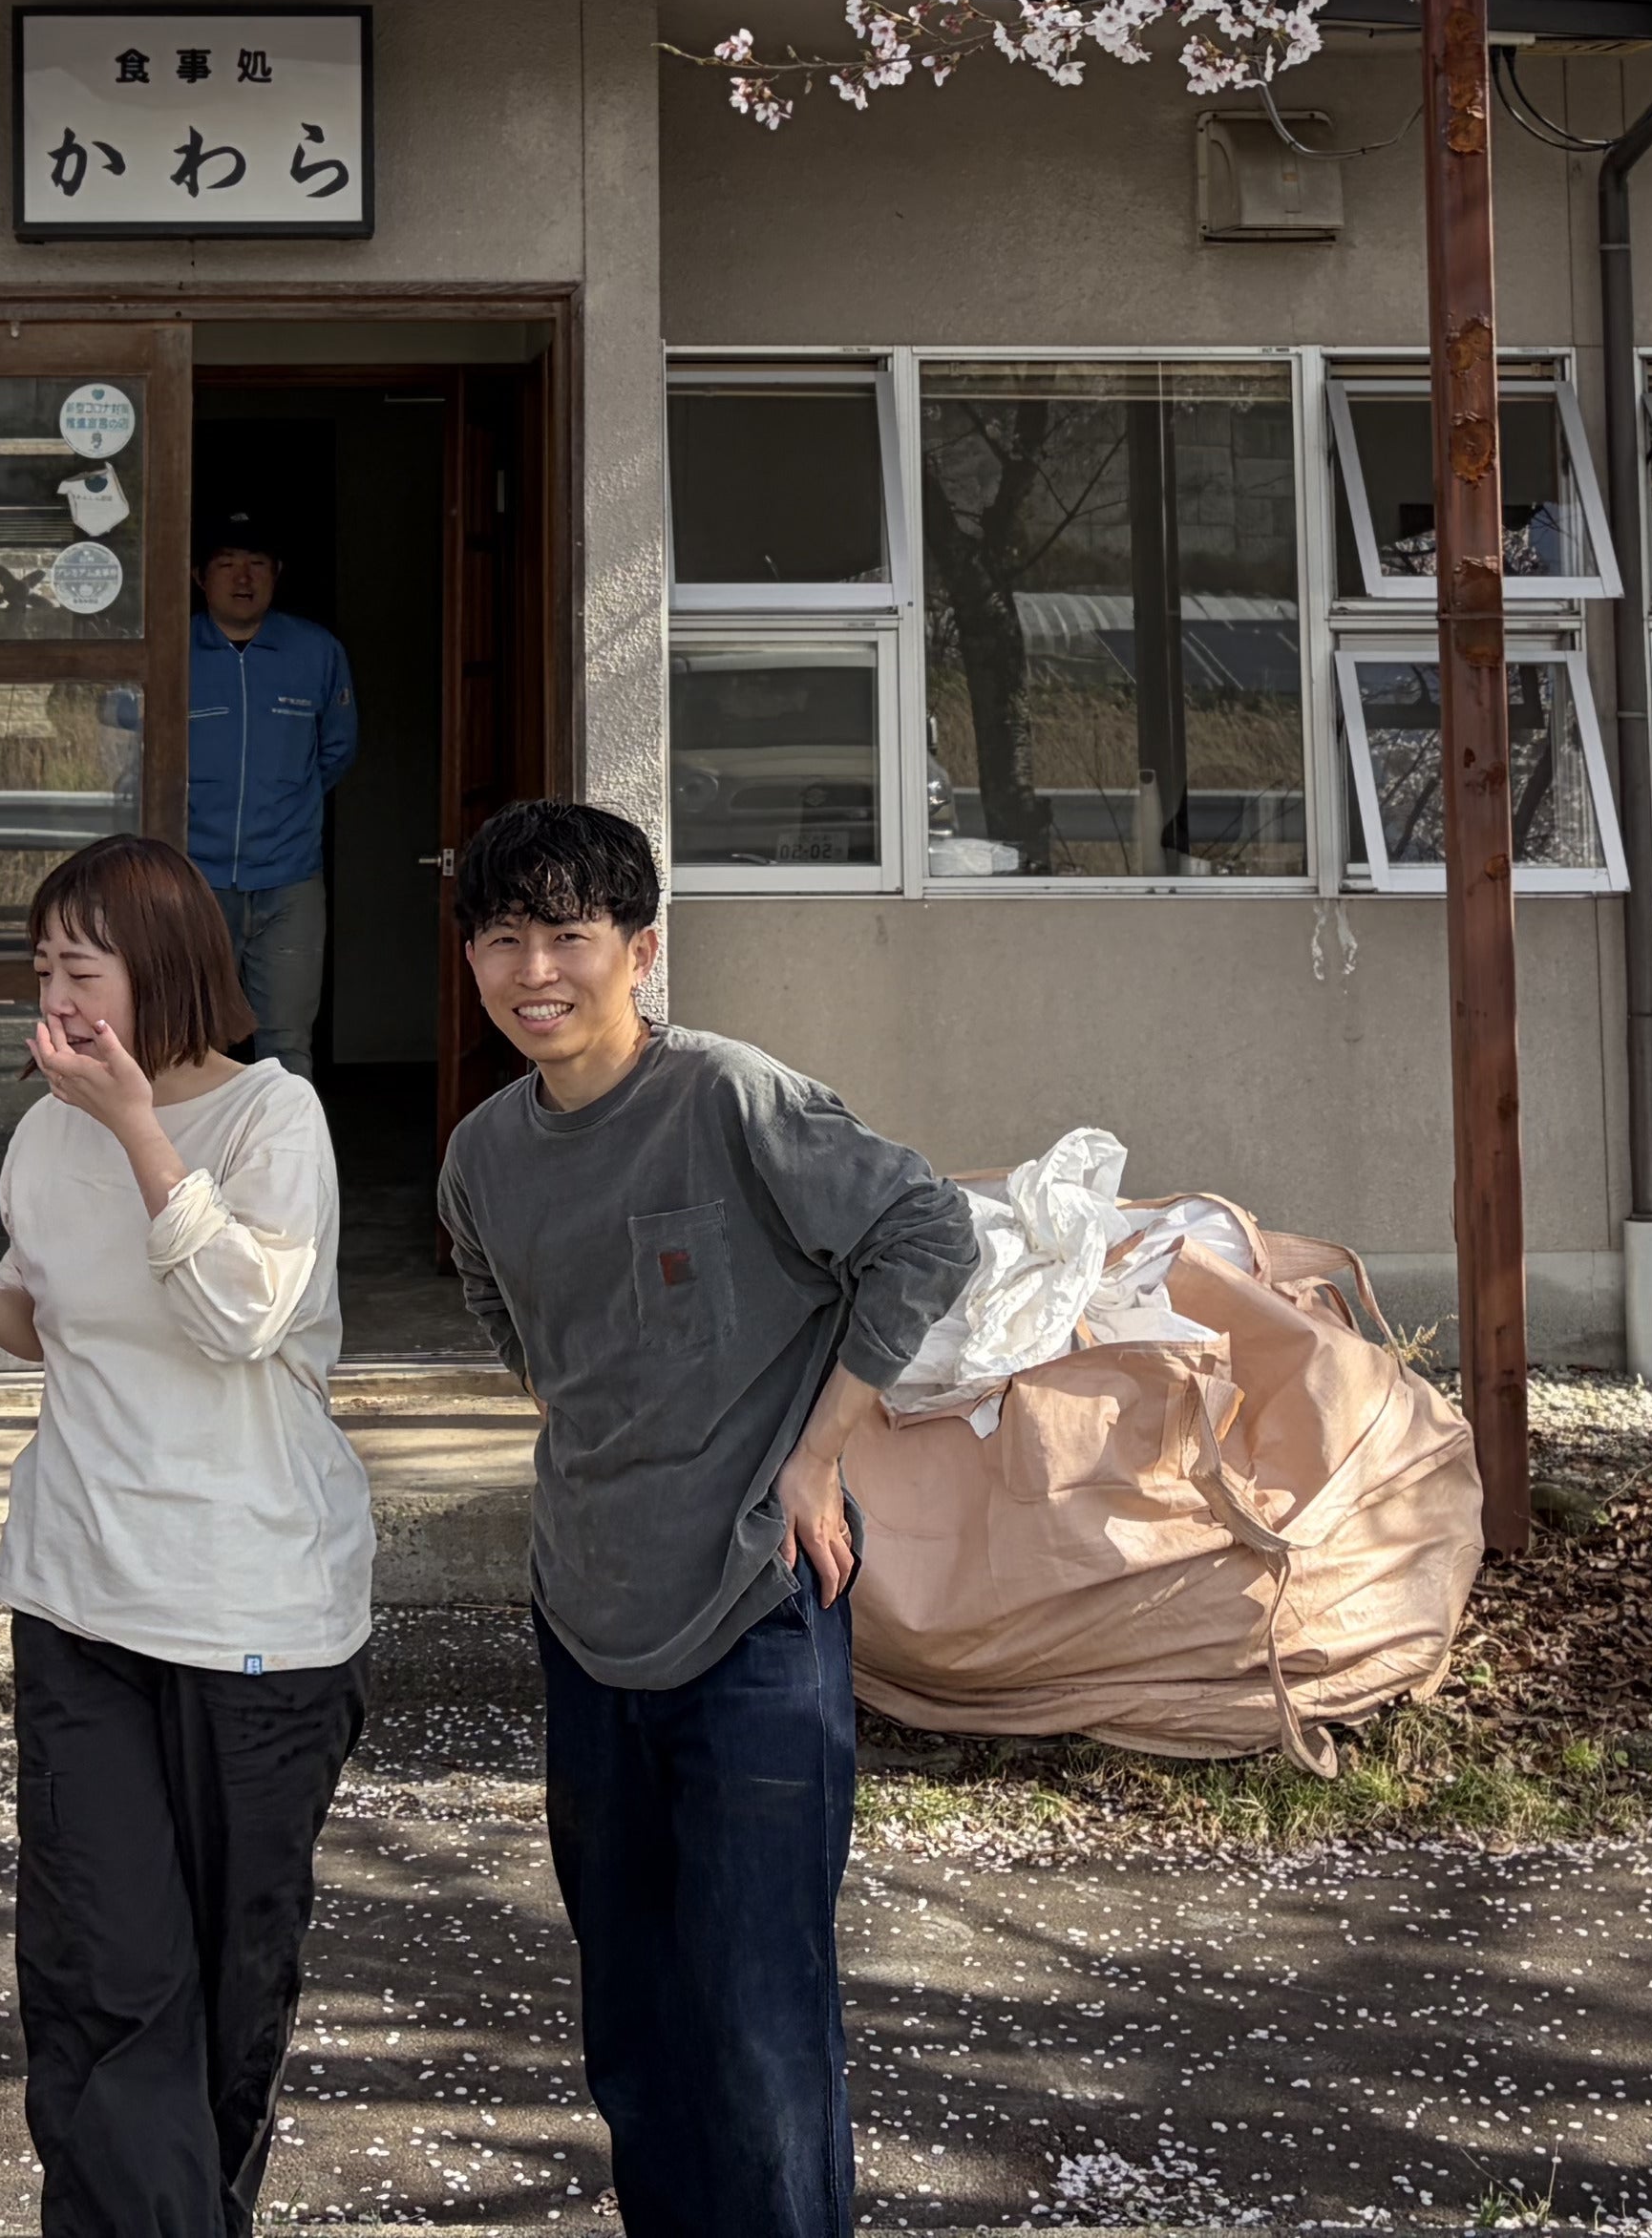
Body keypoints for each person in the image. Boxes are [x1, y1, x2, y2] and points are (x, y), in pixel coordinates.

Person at [435, 798, 979, 2238]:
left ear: (642, 949)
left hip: (756, 1610)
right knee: (635, 2025)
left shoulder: (731, 1098)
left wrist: (817, 1452)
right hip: (584, 1617)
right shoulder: (482, 1157)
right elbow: (507, 1311)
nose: (534, 971)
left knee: (758, 2027)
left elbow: (928, 1231)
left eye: (569, 935)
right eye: (502, 938)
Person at [0, 835, 373, 2238]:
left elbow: (240, 1316)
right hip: (82, 1596)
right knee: (102, 1983)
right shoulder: (42, 1133)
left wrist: (137, 1128)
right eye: (41, 968)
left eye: (81, 968)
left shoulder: (274, 1118)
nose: (53, 997)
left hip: (256, 1618)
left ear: (163, 972)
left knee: (232, 1995)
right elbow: (65, 1325)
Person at [184, 520, 357, 1076]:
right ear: (198, 576)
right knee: (191, 1041)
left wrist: (283, 803)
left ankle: (285, 1139)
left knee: (286, 1044)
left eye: (256, 564)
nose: (242, 577)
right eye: (226, 563)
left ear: (276, 574)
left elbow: (336, 751)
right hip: (193, 880)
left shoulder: (315, 651)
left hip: (289, 881)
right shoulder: (172, 649)